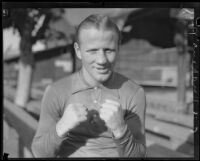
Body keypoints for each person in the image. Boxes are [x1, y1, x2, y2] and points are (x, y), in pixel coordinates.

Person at [31, 14, 147, 158]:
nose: (101, 60)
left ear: (118, 48)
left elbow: (139, 156)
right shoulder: (56, 92)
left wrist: (120, 130)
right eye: (92, 51)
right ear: (78, 51)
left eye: (109, 50)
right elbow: (39, 153)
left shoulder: (134, 93)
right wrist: (61, 126)